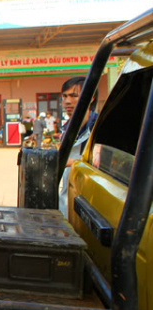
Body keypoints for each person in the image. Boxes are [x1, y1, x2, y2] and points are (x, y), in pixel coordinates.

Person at [58, 76, 98, 217]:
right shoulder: (67, 129)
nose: (67, 101)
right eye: (64, 96)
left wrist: (60, 161)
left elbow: (100, 164)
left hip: (91, 206)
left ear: (90, 98)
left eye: (74, 96)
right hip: (68, 202)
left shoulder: (99, 128)